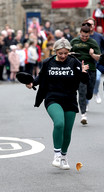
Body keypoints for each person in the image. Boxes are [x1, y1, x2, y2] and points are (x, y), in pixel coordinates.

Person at [26, 38, 89, 170]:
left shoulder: (74, 62)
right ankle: (56, 154)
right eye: (60, 53)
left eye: (66, 53)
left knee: (67, 132)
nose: (63, 56)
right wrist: (32, 83)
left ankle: (64, 156)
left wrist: (84, 72)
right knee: (59, 123)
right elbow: (40, 78)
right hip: (52, 98)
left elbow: (84, 80)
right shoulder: (48, 62)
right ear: (55, 51)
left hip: (70, 99)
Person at [70, 25, 101, 125]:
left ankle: (90, 96)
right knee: (82, 92)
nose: (84, 38)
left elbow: (99, 58)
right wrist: (72, 54)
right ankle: (83, 115)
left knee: (89, 93)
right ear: (80, 33)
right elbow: (67, 54)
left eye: (86, 36)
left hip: (91, 69)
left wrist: (92, 54)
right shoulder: (74, 42)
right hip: (79, 70)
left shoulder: (93, 42)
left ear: (89, 35)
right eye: (82, 36)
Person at [82, 17, 104, 104]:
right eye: (88, 24)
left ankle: (96, 92)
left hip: (97, 63)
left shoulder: (99, 36)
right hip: (85, 63)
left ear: (94, 26)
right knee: (85, 83)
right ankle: (86, 102)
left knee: (97, 79)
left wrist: (103, 56)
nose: (90, 26)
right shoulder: (82, 36)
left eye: (91, 24)